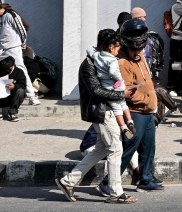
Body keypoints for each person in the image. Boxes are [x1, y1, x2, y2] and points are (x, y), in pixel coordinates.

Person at [56, 29, 135, 204]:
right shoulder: (89, 65)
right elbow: (96, 91)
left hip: (108, 110)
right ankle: (116, 193)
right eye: (116, 47)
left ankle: (67, 182)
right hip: (102, 111)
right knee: (116, 149)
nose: (118, 50)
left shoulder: (101, 61)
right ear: (109, 46)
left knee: (101, 150)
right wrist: (122, 95)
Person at [116, 19, 163, 192]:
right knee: (129, 149)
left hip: (149, 112)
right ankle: (109, 182)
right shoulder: (122, 63)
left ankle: (145, 179)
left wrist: (153, 103)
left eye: (140, 48)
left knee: (149, 148)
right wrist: (148, 99)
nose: (137, 52)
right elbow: (128, 92)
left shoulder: (140, 56)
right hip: (135, 113)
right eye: (134, 49)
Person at [0, 0, 40, 107]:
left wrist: (22, 43)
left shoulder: (11, 15)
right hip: (1, 49)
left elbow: (22, 29)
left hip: (13, 48)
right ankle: (3, 98)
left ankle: (32, 97)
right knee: (2, 72)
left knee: (21, 70)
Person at [87, 29, 134, 138]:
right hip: (116, 84)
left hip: (106, 86)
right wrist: (119, 79)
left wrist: (93, 49)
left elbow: (89, 50)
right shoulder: (112, 60)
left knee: (116, 107)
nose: (119, 49)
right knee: (123, 104)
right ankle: (130, 121)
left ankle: (123, 127)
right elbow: (113, 72)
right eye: (118, 47)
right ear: (111, 47)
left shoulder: (97, 56)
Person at [0, 56, 27, 122]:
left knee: (21, 91)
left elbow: (23, 85)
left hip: (12, 98)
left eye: (8, 69)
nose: (5, 72)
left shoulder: (19, 72)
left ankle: (12, 113)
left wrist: (14, 87)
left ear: (13, 65)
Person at [130, 7, 165, 84]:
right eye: (143, 17)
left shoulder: (130, 33)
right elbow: (147, 54)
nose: (144, 19)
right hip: (143, 68)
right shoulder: (142, 34)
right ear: (138, 17)